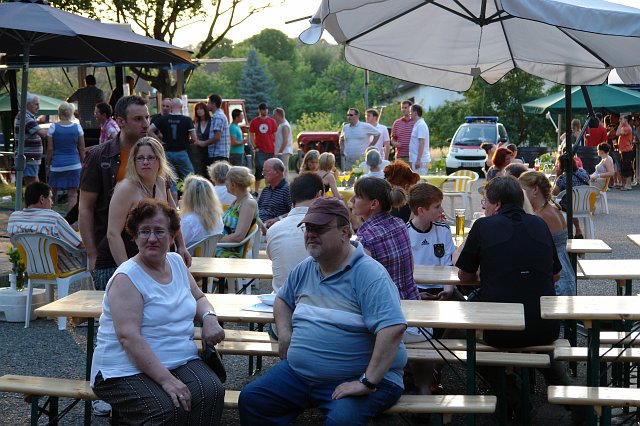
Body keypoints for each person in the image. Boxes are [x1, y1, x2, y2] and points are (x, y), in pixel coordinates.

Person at [238, 197, 408, 425]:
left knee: (341, 421)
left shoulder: (369, 274)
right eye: (308, 228)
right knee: (252, 399)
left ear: (344, 232)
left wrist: (367, 382)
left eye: (320, 228)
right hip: (300, 375)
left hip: (359, 377)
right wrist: (285, 333)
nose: (311, 234)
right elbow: (283, 300)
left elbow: (392, 328)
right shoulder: (306, 268)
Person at [90, 199, 225, 425]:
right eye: (144, 231)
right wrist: (167, 380)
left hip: (178, 359)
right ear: (134, 237)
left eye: (160, 231)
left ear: (172, 236)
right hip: (122, 368)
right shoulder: (127, 278)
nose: (152, 238)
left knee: (211, 392)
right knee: (166, 409)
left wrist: (209, 317)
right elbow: (129, 338)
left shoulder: (177, 263)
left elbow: (199, 297)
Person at [456, 177, 574, 420]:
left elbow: (464, 276)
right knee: (533, 328)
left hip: (501, 333)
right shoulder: (539, 224)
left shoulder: (483, 226)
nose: (484, 208)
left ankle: (511, 393)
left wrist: (490, 271)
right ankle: (575, 402)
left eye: (486, 203)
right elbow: (555, 275)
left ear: (497, 204)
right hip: (545, 327)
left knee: (457, 338)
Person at [79, 96, 191, 292]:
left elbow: (171, 211)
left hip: (155, 258)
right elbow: (85, 208)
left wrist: (181, 245)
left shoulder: (153, 155)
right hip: (116, 258)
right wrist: (92, 254)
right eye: (138, 119)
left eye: (147, 117)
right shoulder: (100, 156)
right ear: (121, 121)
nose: (146, 124)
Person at [106, 137, 188, 269]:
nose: (145, 162)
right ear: (133, 161)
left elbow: (174, 219)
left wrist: (182, 246)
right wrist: (128, 271)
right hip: (121, 263)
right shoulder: (126, 188)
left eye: (150, 158)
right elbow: (112, 234)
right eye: (140, 158)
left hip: (156, 263)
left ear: (160, 160)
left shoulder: (161, 183)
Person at [519, 171, 576, 296]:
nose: (520, 196)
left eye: (522, 191)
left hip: (556, 280)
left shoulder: (540, 217)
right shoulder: (554, 209)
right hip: (567, 273)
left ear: (535, 190)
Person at [266, 172, 324, 294]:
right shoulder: (329, 226)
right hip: (318, 300)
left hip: (279, 298)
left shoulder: (273, 230)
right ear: (319, 195)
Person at [8, 182, 84, 273]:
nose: (52, 202)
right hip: (63, 269)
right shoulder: (53, 218)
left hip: (32, 269)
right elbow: (79, 245)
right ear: (42, 199)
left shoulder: (14, 218)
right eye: (50, 198)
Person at [149, 97, 197, 201]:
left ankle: (174, 205)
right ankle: (191, 202)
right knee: (190, 178)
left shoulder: (163, 119)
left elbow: (150, 130)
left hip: (167, 153)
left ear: (171, 107)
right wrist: (187, 142)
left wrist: (159, 141)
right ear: (181, 106)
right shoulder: (187, 120)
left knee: (171, 181)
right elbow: (194, 138)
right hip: (182, 152)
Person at [46, 102, 85, 212]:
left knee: (51, 194)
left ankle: (48, 216)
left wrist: (48, 164)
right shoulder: (78, 128)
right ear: (71, 113)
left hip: (57, 165)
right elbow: (82, 148)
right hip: (74, 165)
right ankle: (70, 220)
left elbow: (50, 149)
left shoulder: (53, 127)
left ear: (59, 113)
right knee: (72, 195)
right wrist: (83, 163)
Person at [216, 166, 258, 259]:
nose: (225, 182)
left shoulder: (248, 203)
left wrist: (215, 241)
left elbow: (238, 236)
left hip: (229, 252)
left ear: (233, 184)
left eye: (226, 179)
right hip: (224, 247)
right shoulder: (239, 200)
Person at [180, 175, 224, 248]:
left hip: (189, 255)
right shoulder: (217, 216)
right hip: (211, 254)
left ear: (188, 196)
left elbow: (177, 245)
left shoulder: (189, 221)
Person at [552, 155, 590, 238]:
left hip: (569, 206)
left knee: (556, 205)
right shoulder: (583, 172)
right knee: (572, 202)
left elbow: (554, 193)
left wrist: (557, 176)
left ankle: (562, 232)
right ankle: (578, 230)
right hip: (585, 204)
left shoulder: (563, 178)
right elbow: (589, 184)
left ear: (562, 166)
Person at [15, 93, 47, 186]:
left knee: (33, 183)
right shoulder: (26, 118)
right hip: (29, 158)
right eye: (36, 104)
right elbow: (43, 134)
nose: (38, 107)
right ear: (28, 104)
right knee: (32, 184)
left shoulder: (26, 117)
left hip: (30, 158)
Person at [249, 103, 278, 193]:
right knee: (258, 169)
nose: (264, 111)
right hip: (260, 150)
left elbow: (276, 136)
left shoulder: (272, 121)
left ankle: (269, 191)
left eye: (265, 109)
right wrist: (254, 146)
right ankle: (256, 191)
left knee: (270, 171)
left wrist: (276, 149)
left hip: (270, 150)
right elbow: (251, 135)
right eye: (262, 109)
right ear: (259, 110)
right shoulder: (254, 121)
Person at [258, 158, 292, 228]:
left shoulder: (287, 190)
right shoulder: (266, 190)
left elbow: (295, 212)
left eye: (266, 171)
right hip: (259, 225)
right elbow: (257, 209)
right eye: (263, 171)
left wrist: (278, 219)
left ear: (277, 172)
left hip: (273, 228)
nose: (263, 174)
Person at [201, 94, 230, 166]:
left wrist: (204, 143)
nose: (207, 105)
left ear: (213, 104)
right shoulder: (219, 115)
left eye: (208, 103)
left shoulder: (218, 117)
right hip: (219, 154)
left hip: (218, 154)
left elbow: (217, 137)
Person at [409, 104, 430, 175]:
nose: (410, 114)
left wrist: (418, 160)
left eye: (411, 112)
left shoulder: (421, 125)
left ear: (415, 113)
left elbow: (422, 142)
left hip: (420, 160)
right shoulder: (417, 124)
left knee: (420, 180)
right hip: (416, 159)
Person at [191, 101, 211, 177]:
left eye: (201, 108)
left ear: (205, 110)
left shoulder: (211, 121)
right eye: (197, 109)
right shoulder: (195, 122)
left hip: (210, 151)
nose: (199, 110)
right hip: (199, 152)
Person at [617, 114, 635, 190]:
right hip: (623, 151)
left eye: (621, 119)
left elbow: (617, 133)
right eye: (619, 119)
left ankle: (628, 185)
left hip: (627, 150)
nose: (619, 120)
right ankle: (625, 184)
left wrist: (620, 125)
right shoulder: (624, 127)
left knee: (627, 168)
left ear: (626, 120)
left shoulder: (627, 128)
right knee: (624, 167)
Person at [274, 107, 293, 175]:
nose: (274, 117)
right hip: (282, 152)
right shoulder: (281, 125)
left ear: (279, 115)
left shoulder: (285, 126)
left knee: (283, 170)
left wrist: (279, 153)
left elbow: (285, 141)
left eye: (275, 115)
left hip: (284, 152)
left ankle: (285, 182)